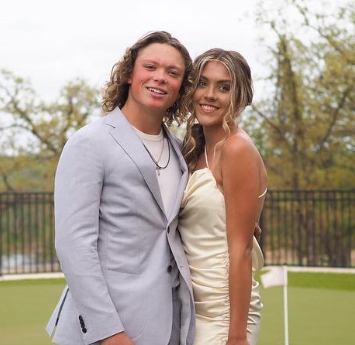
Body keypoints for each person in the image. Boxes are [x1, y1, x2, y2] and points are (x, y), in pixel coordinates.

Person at [46, 31, 195, 345]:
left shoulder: (183, 152)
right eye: (150, 67)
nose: (160, 78)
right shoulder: (89, 143)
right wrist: (109, 332)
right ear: (129, 74)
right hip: (106, 332)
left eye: (173, 72)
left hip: (169, 327)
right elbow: (74, 246)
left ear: (182, 86)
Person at [179, 48, 267, 345]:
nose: (209, 94)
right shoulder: (192, 150)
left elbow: (241, 249)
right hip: (188, 308)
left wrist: (236, 336)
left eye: (224, 87)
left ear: (240, 96)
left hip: (223, 314)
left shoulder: (236, 149)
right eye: (202, 83)